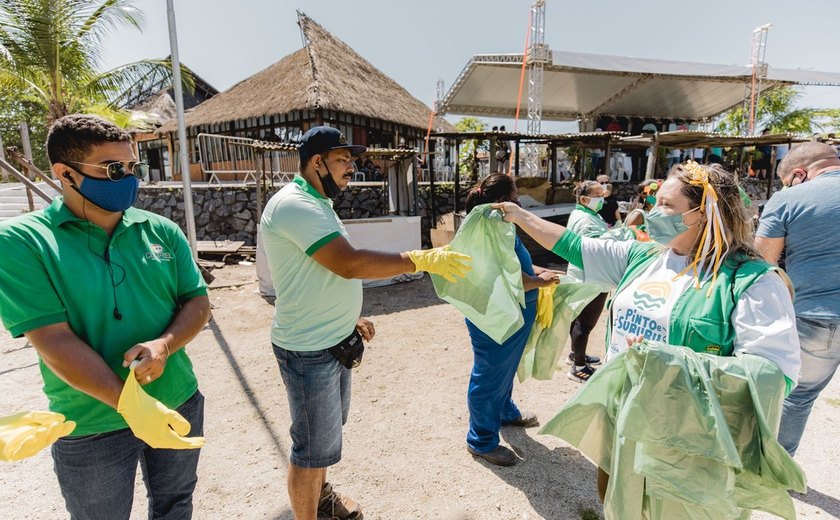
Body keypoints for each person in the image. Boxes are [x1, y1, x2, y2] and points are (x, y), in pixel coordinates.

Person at [492, 161, 800, 500]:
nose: (653, 211)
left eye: (667, 205)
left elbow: (772, 374)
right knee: (615, 495)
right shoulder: (644, 256)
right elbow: (573, 245)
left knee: (667, 505)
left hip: (684, 431)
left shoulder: (751, 282)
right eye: (655, 201)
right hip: (622, 410)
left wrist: (669, 362)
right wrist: (518, 216)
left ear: (704, 213)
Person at [0, 114, 211, 519]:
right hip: (90, 420)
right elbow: (53, 340)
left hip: (178, 399)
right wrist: (131, 405)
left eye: (133, 167)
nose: (129, 178)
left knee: (176, 505)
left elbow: (197, 301)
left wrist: (164, 345)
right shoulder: (22, 242)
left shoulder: (161, 230)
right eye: (114, 169)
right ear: (66, 173)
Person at [260, 126, 471, 520]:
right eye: (344, 159)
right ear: (316, 161)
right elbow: (349, 262)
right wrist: (419, 258)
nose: (352, 168)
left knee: (324, 437)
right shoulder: (294, 204)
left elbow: (317, 273)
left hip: (332, 340)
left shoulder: (318, 203)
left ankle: (321, 498)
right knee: (310, 447)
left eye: (352, 160)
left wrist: (348, 317)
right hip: (308, 349)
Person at [460, 174, 561, 467]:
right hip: (497, 314)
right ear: (502, 201)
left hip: (513, 312)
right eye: (515, 195)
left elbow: (518, 263)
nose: (519, 201)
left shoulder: (500, 225)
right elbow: (506, 277)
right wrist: (539, 282)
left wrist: (542, 271)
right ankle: (480, 441)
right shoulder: (487, 229)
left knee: (503, 369)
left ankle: (504, 411)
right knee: (489, 374)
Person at [755, 141, 840, 456]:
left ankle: (779, 467)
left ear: (800, 173)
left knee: (797, 394)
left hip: (815, 314)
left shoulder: (788, 199)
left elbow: (763, 263)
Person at [564, 180, 608, 382]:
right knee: (584, 323)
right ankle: (579, 367)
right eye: (597, 196)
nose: (601, 199)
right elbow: (594, 248)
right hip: (591, 275)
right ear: (584, 199)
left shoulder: (582, 213)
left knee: (577, 320)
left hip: (581, 273)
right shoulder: (586, 221)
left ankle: (576, 354)